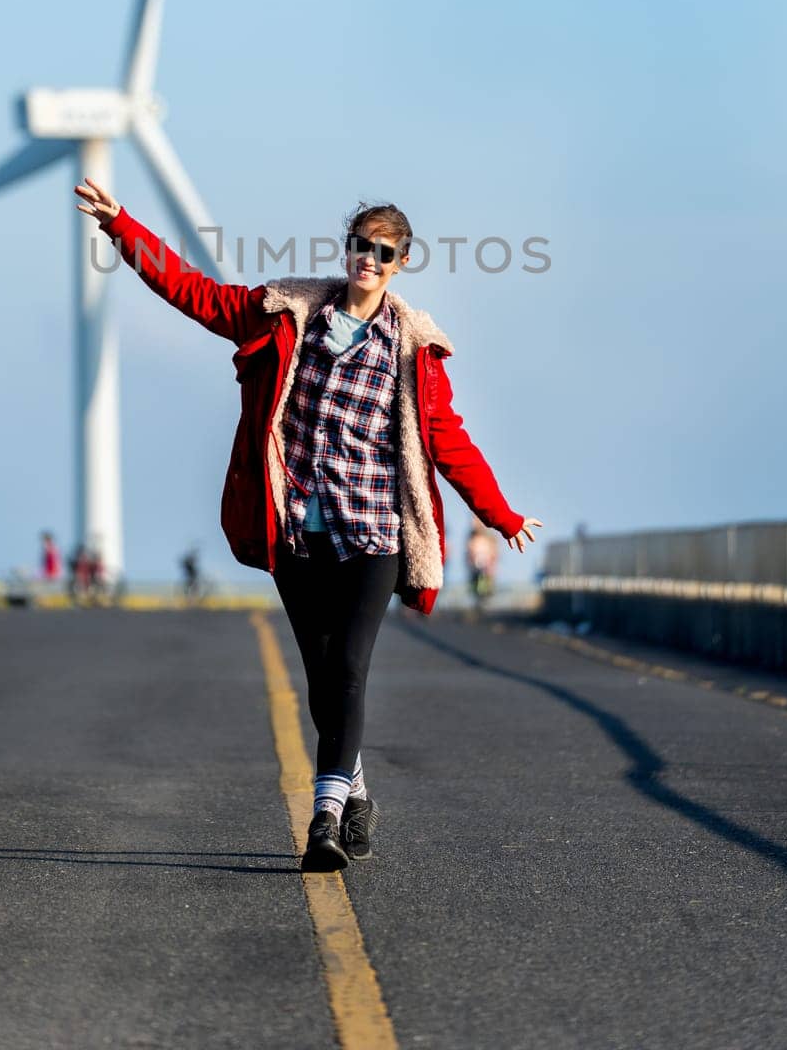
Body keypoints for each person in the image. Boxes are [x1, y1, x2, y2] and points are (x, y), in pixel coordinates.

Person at [74, 178, 542, 872]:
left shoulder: (413, 349)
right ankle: (352, 789)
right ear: (345, 248)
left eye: (382, 252)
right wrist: (123, 228)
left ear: (400, 263)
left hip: (373, 531)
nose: (367, 260)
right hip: (296, 528)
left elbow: (446, 438)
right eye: (359, 246)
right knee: (323, 677)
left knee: (350, 666)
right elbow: (194, 294)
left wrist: (497, 514)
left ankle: (322, 817)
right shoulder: (285, 311)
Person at [465, 515, 498, 605]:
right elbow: (467, 552)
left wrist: (491, 565)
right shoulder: (471, 536)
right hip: (474, 569)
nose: (473, 523)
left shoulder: (490, 536)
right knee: (475, 590)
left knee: (486, 592)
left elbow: (495, 552)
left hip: (487, 571)